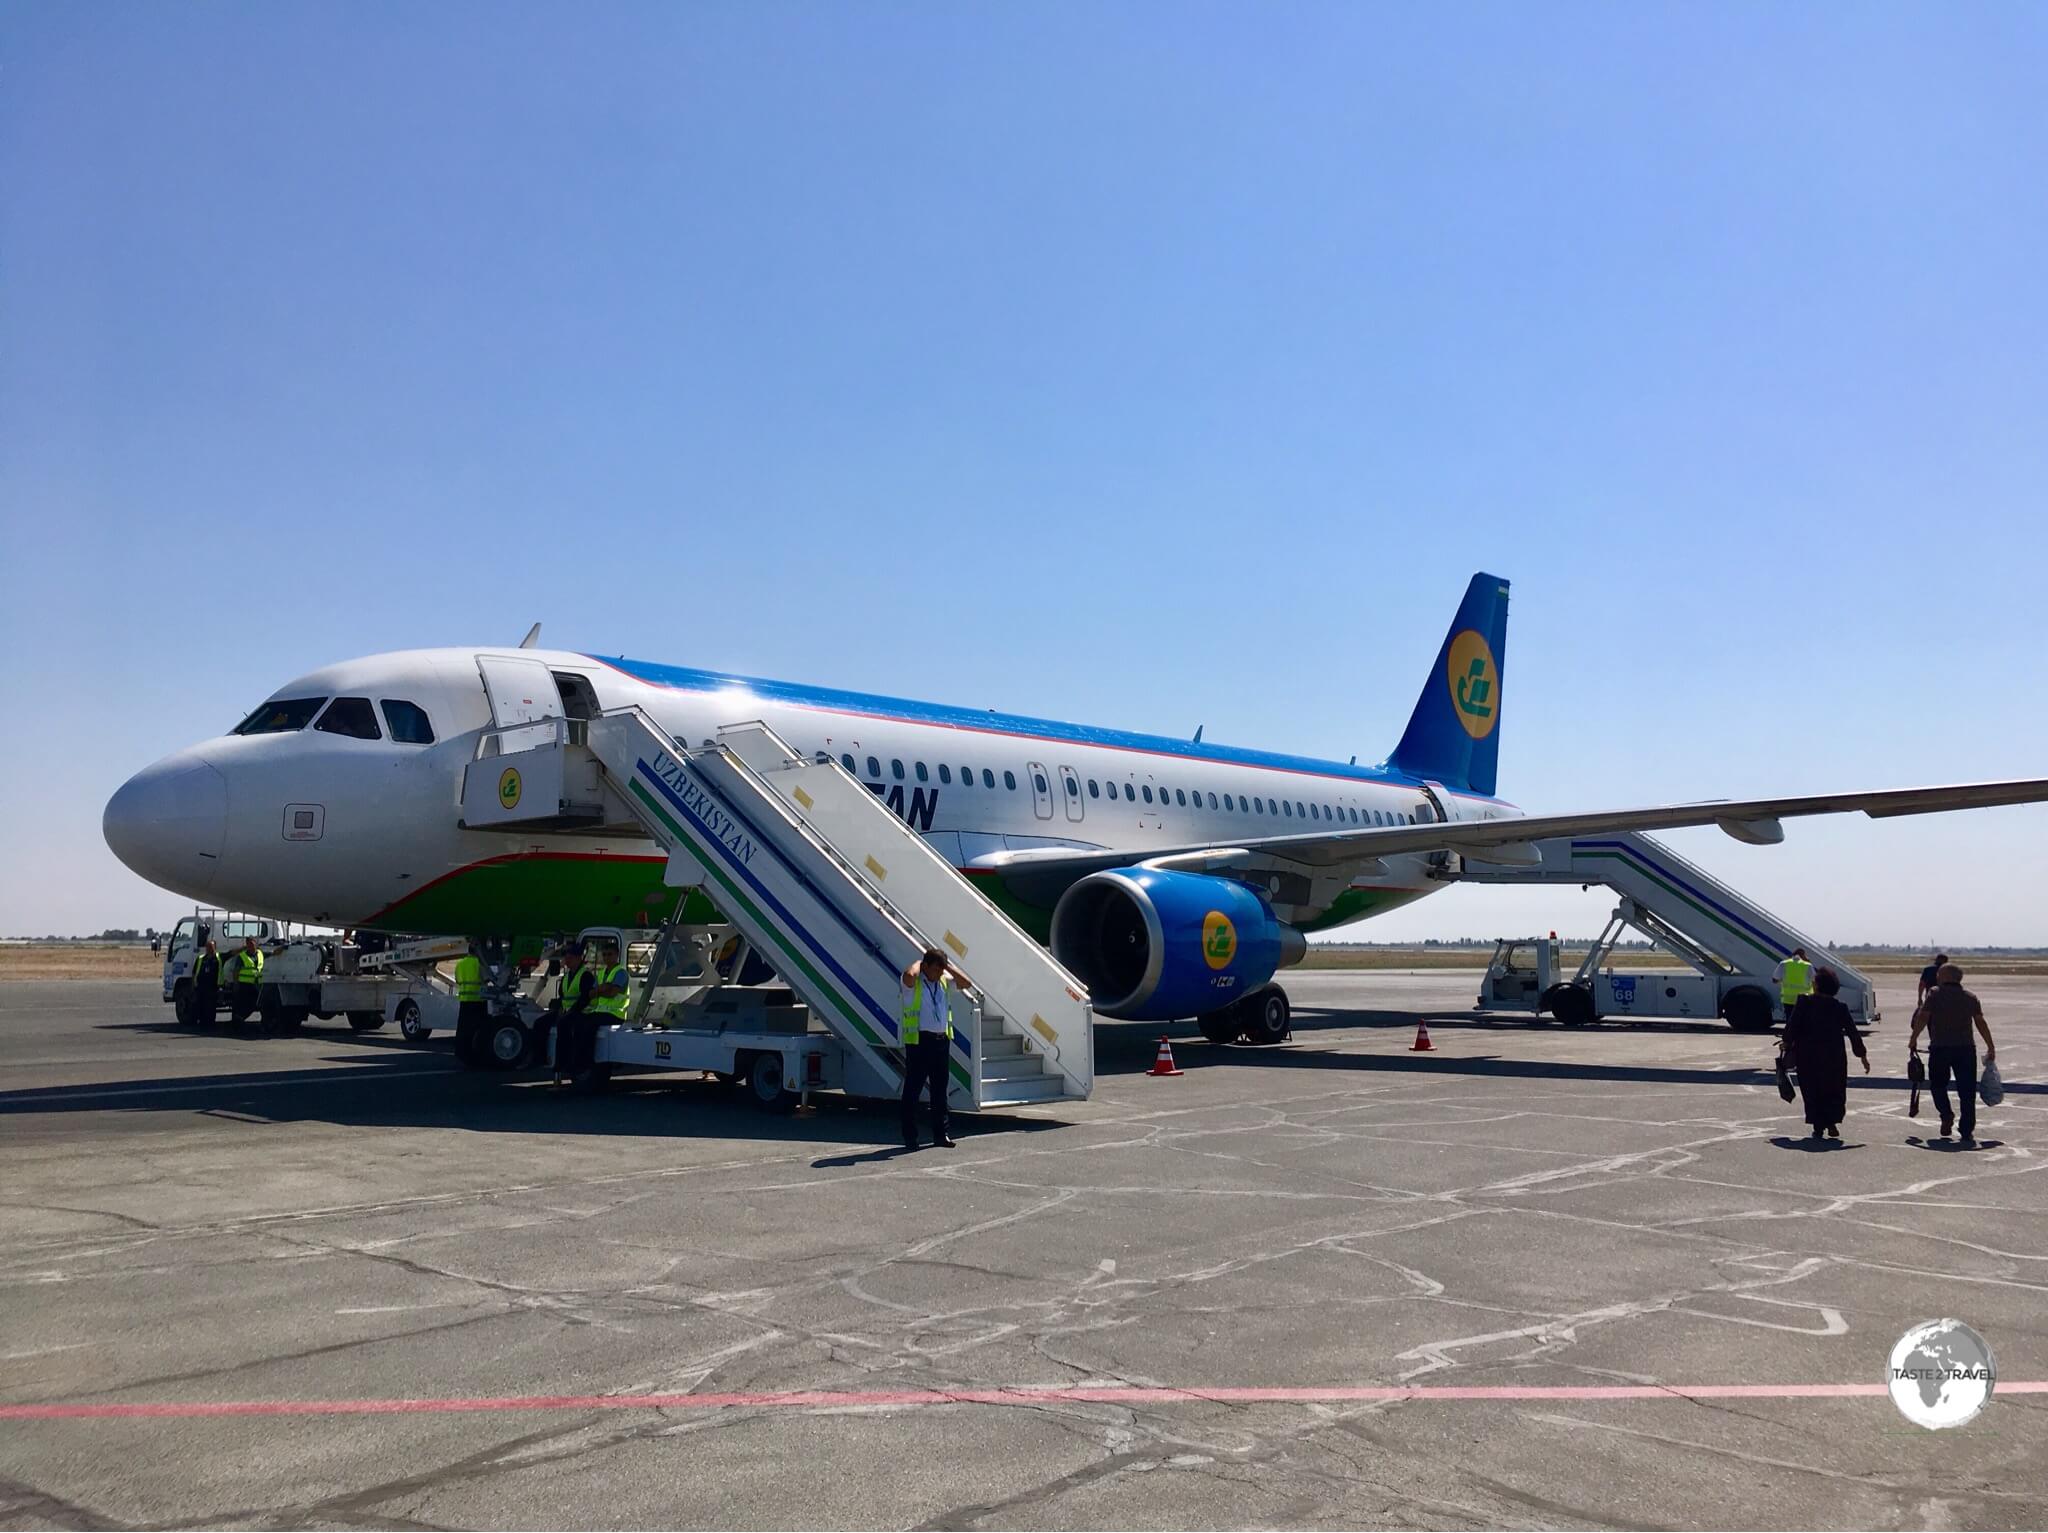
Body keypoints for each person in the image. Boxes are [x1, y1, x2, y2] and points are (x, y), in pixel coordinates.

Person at [1910, 963, 1996, 1145]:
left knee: (1938, 1085)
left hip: (1940, 1047)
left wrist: (1914, 1038)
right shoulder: (1970, 997)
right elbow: (1980, 1022)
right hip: (1965, 1049)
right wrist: (1990, 1045)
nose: (1938, 977)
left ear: (1947, 977)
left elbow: (1923, 1017)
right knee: (1967, 1091)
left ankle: (1946, 1114)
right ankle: (1966, 1129)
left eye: (1940, 974)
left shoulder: (1934, 994)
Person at [1779, 966, 1868, 1140]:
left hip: (1808, 1055)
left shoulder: (1804, 1003)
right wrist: (1862, 1055)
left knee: (1812, 1089)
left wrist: (1786, 1042)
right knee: (1834, 1088)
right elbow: (1853, 1033)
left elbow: (1793, 1025)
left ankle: (1818, 1126)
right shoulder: (1840, 1007)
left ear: (1818, 985)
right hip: (1834, 1056)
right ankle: (1832, 1121)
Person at [899, 946, 972, 1150]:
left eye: (942, 970)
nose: (940, 973)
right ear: (925, 967)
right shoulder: (914, 984)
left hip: (941, 1041)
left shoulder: (943, 981)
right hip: (920, 1041)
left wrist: (947, 966)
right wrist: (919, 963)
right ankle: (910, 1137)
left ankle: (941, 1134)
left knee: (940, 1091)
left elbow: (966, 983)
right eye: (936, 969)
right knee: (913, 1090)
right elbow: (908, 975)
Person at [551, 941, 598, 1084]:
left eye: (570, 957)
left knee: (564, 1025)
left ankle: (563, 1063)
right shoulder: (566, 976)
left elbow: (584, 999)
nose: (567, 960)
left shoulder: (586, 976)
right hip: (567, 1011)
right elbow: (563, 996)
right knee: (541, 1023)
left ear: (579, 958)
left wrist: (570, 1012)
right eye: (566, 957)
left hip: (583, 1012)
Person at [452, 940, 488, 1066]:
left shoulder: (460, 963)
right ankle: (476, 1055)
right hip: (478, 1001)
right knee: (477, 1030)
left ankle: (461, 1052)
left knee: (463, 1029)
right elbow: (486, 978)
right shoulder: (479, 963)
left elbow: (457, 979)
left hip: (464, 1001)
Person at [229, 935, 265, 1034]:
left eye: (252, 944)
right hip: (245, 984)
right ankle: (237, 1023)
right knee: (244, 1004)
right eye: (248, 944)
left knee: (257, 1004)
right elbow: (236, 971)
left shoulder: (260, 954)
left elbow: (272, 954)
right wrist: (236, 984)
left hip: (256, 984)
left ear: (256, 944)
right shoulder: (242, 956)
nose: (251, 946)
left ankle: (240, 1020)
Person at [1772, 946, 1815, 1024]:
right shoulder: (1808, 965)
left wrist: (1783, 980)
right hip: (1804, 998)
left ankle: (1790, 1034)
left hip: (1788, 998)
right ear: (1803, 956)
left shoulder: (1784, 963)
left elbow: (1774, 979)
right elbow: (1815, 981)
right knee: (1804, 1021)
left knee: (1790, 1020)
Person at [186, 937, 220, 1027]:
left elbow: (230, 953)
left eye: (211, 947)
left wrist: (244, 948)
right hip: (200, 987)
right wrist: (193, 986)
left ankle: (210, 1024)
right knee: (199, 1006)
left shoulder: (218, 958)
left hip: (212, 987)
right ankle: (201, 1023)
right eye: (208, 947)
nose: (209, 949)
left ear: (215, 948)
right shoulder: (200, 958)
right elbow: (194, 973)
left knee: (210, 1007)